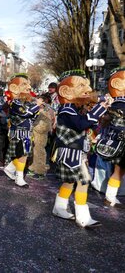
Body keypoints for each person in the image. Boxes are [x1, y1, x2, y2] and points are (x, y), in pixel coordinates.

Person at [52, 69, 111, 228]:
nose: (89, 90)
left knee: (70, 182)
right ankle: (83, 217)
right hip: (71, 152)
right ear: (66, 91)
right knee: (83, 182)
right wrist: (99, 109)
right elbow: (81, 124)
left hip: (75, 152)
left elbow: (86, 123)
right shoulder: (67, 109)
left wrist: (97, 109)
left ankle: (59, 208)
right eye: (82, 86)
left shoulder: (73, 109)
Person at [3, 73, 43, 187]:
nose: (29, 87)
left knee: (23, 154)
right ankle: (19, 178)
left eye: (28, 85)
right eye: (25, 84)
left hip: (26, 132)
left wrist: (37, 110)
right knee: (22, 155)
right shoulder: (14, 102)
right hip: (18, 132)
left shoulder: (26, 102)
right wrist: (36, 106)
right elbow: (24, 114)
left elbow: (32, 118)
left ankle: (10, 169)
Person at [96, 67, 125, 208]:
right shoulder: (121, 103)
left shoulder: (116, 103)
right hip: (122, 142)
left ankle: (110, 196)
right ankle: (110, 196)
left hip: (119, 142)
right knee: (119, 170)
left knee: (119, 170)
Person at [28, 94, 55, 179]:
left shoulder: (47, 110)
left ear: (43, 101)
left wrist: (36, 128)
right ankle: (33, 168)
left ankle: (40, 172)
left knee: (40, 152)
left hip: (41, 134)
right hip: (35, 133)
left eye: (38, 99)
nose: (36, 100)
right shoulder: (38, 108)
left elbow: (46, 125)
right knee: (34, 151)